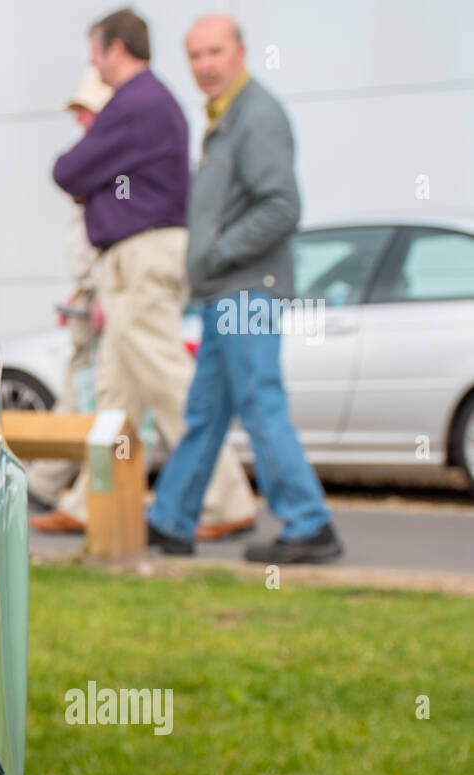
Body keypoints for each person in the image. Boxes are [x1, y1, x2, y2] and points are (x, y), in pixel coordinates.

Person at [35, 7, 256, 541]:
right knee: (116, 393)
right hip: (136, 257)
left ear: (116, 49)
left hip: (143, 255)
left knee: (166, 377)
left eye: (96, 54)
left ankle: (226, 497)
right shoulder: (151, 103)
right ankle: (92, 503)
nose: (94, 65)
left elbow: (68, 170)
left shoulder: (135, 102)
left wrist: (98, 185)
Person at [145, 14, 343, 564]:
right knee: (206, 410)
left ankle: (310, 524)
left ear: (240, 52)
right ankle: (170, 521)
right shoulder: (223, 118)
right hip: (222, 295)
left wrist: (215, 252)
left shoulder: (257, 114)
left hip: (247, 293)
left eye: (215, 52)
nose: (205, 66)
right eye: (195, 55)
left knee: (259, 402)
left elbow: (282, 206)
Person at [26, 68, 111, 515]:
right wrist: (81, 297)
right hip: (93, 299)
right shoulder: (98, 162)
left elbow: (114, 243)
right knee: (80, 395)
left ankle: (80, 501)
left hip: (109, 300)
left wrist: (104, 297)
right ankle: (46, 486)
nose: (79, 120)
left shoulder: (114, 166)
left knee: (104, 400)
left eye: (86, 110)